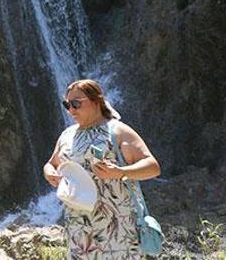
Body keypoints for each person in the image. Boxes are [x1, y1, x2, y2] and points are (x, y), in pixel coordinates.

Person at [43, 79, 161, 259]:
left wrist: (121, 172)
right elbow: (51, 163)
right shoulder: (67, 135)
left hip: (118, 227)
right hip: (79, 230)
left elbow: (153, 167)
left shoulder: (118, 131)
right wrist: (49, 171)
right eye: (67, 104)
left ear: (97, 100)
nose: (71, 110)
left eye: (76, 104)